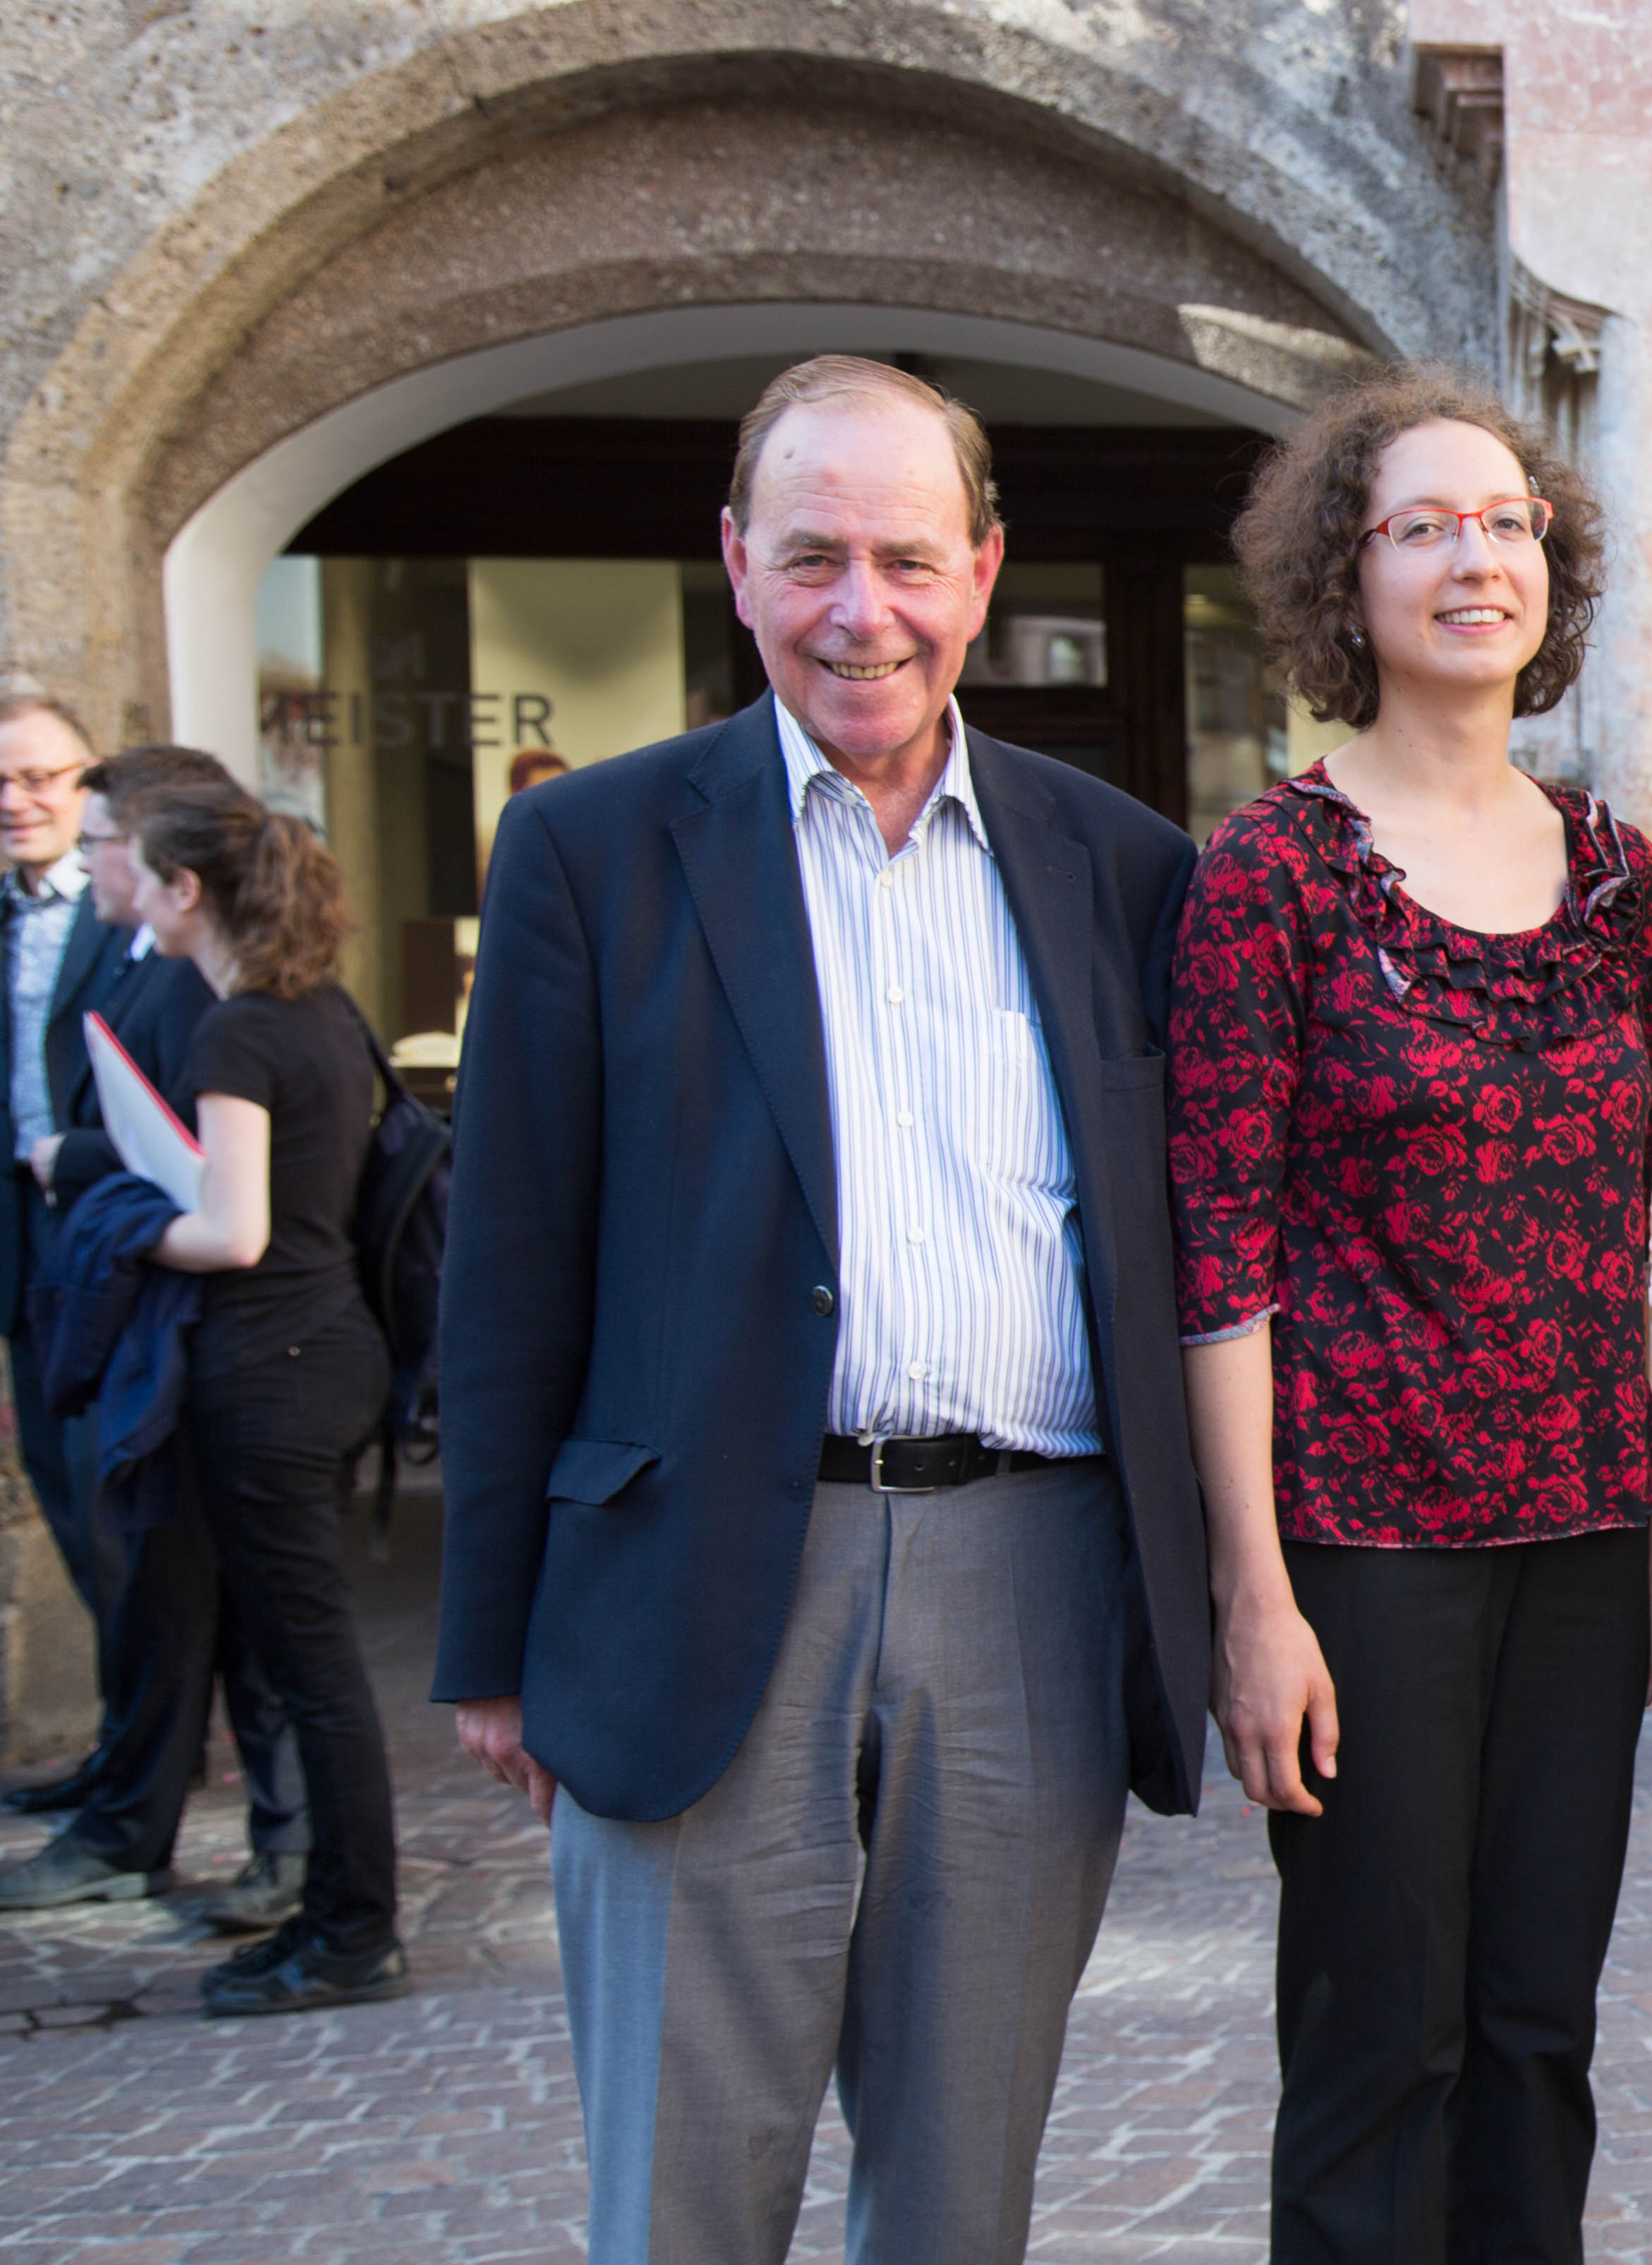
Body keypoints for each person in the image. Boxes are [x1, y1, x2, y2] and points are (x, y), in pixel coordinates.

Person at [433, 356, 1205, 2264]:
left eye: (908, 559)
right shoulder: (595, 850)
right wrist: (487, 1638)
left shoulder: (1124, 867)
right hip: (695, 1582)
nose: (863, 610)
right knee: (685, 2194)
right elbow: (510, 1257)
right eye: (812, 558)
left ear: (984, 568)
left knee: (961, 2197)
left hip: (1031, 1571)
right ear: (734, 564)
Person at [1172, 368, 1652, 2265]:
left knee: (1540, 2037)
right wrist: (1256, 1594)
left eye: (1510, 523)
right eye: (1426, 525)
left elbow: (1616, 1229)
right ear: (1345, 577)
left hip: (1574, 1529)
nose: (1480, 558)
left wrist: (1647, 1506)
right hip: (1363, 1549)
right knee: (1383, 2045)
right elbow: (1217, 1258)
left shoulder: (1623, 877)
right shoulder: (1272, 878)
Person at [45, 775, 396, 2013]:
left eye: (131, 864)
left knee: (311, 1666)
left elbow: (234, 1231)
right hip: (316, 1354)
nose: (120, 886)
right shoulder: (319, 1009)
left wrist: (124, 1217)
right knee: (305, 1660)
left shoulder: (240, 1029)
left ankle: (353, 1931)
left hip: (269, 1366)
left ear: (188, 889)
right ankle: (335, 1915)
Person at [0, 743, 313, 1929]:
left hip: (220, 1332)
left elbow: (205, 1175)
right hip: (158, 1319)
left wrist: (68, 1162)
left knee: (242, 1613)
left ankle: (264, 1849)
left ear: (161, 863)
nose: (87, 863)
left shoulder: (210, 987)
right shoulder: (144, 952)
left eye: (100, 844)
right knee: (167, 1589)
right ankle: (145, 1816)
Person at [0, 684, 128, 1816]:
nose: (18, 800)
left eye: (41, 777)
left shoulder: (136, 909)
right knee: (54, 1482)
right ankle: (121, 1746)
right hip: (22, 1253)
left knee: (115, 1502)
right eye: (1, 781)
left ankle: (151, 1752)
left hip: (112, 1242)